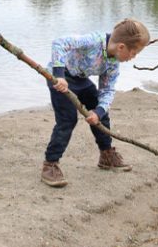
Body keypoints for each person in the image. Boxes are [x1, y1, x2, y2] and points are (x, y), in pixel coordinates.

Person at [41, 18, 151, 188]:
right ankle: (50, 164)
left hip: (80, 79)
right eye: (134, 53)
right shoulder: (93, 41)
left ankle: (106, 155)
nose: (133, 57)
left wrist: (98, 113)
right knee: (67, 120)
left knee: (101, 112)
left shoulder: (113, 62)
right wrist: (59, 75)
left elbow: (107, 90)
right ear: (121, 47)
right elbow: (59, 43)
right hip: (60, 78)